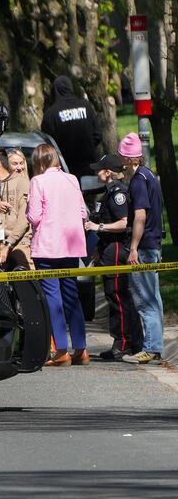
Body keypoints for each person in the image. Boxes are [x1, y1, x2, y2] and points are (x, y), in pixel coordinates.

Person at [26, 143, 89, 366]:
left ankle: (61, 349)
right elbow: (83, 212)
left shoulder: (38, 181)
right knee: (72, 296)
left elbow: (34, 216)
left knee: (53, 297)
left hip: (48, 246)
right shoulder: (72, 179)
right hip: (71, 245)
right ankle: (81, 349)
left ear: (38, 162)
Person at [84, 153, 143, 360]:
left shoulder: (118, 192)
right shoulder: (108, 192)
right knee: (114, 296)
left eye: (99, 169)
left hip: (118, 249)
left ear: (108, 172)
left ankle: (125, 343)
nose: (95, 172)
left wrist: (97, 226)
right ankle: (128, 341)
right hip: (108, 247)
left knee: (118, 296)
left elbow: (123, 223)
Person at [119, 132, 165, 364]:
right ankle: (155, 346)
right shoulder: (150, 176)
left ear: (128, 159)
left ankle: (150, 348)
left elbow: (140, 216)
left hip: (144, 246)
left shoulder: (137, 181)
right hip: (155, 243)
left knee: (145, 300)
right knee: (154, 299)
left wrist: (134, 247)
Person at [40, 75, 103, 177]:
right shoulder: (86, 106)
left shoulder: (51, 114)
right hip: (89, 167)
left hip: (65, 169)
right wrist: (88, 148)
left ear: (55, 90)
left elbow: (47, 146)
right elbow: (98, 135)